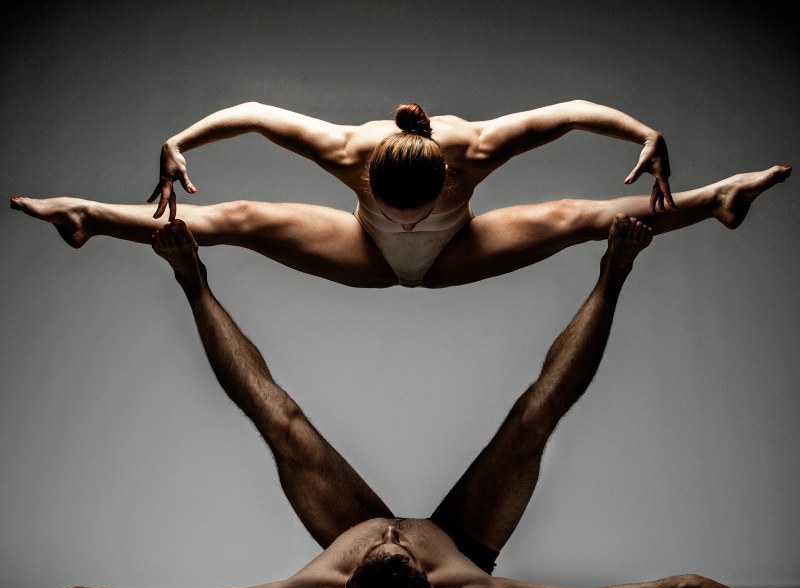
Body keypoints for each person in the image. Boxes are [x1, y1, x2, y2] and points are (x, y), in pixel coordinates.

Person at [9, 215, 757, 588]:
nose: (393, 533)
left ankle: (189, 279)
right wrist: (682, 584)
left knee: (278, 417)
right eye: (400, 548)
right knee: (534, 417)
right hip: (466, 538)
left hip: (348, 535)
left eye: (383, 549)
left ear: (347, 586)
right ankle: (616, 270)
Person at [9, 100, 790, 287]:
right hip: (364, 257)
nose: (404, 214)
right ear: (365, 175)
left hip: (459, 252)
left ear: (453, 177)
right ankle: (86, 215)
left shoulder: (476, 148)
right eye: (392, 200)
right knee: (233, 218)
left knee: (580, 216)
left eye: (414, 203)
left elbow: (570, 112)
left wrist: (642, 132)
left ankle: (718, 198)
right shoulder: (347, 151)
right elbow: (251, 113)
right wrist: (178, 140)